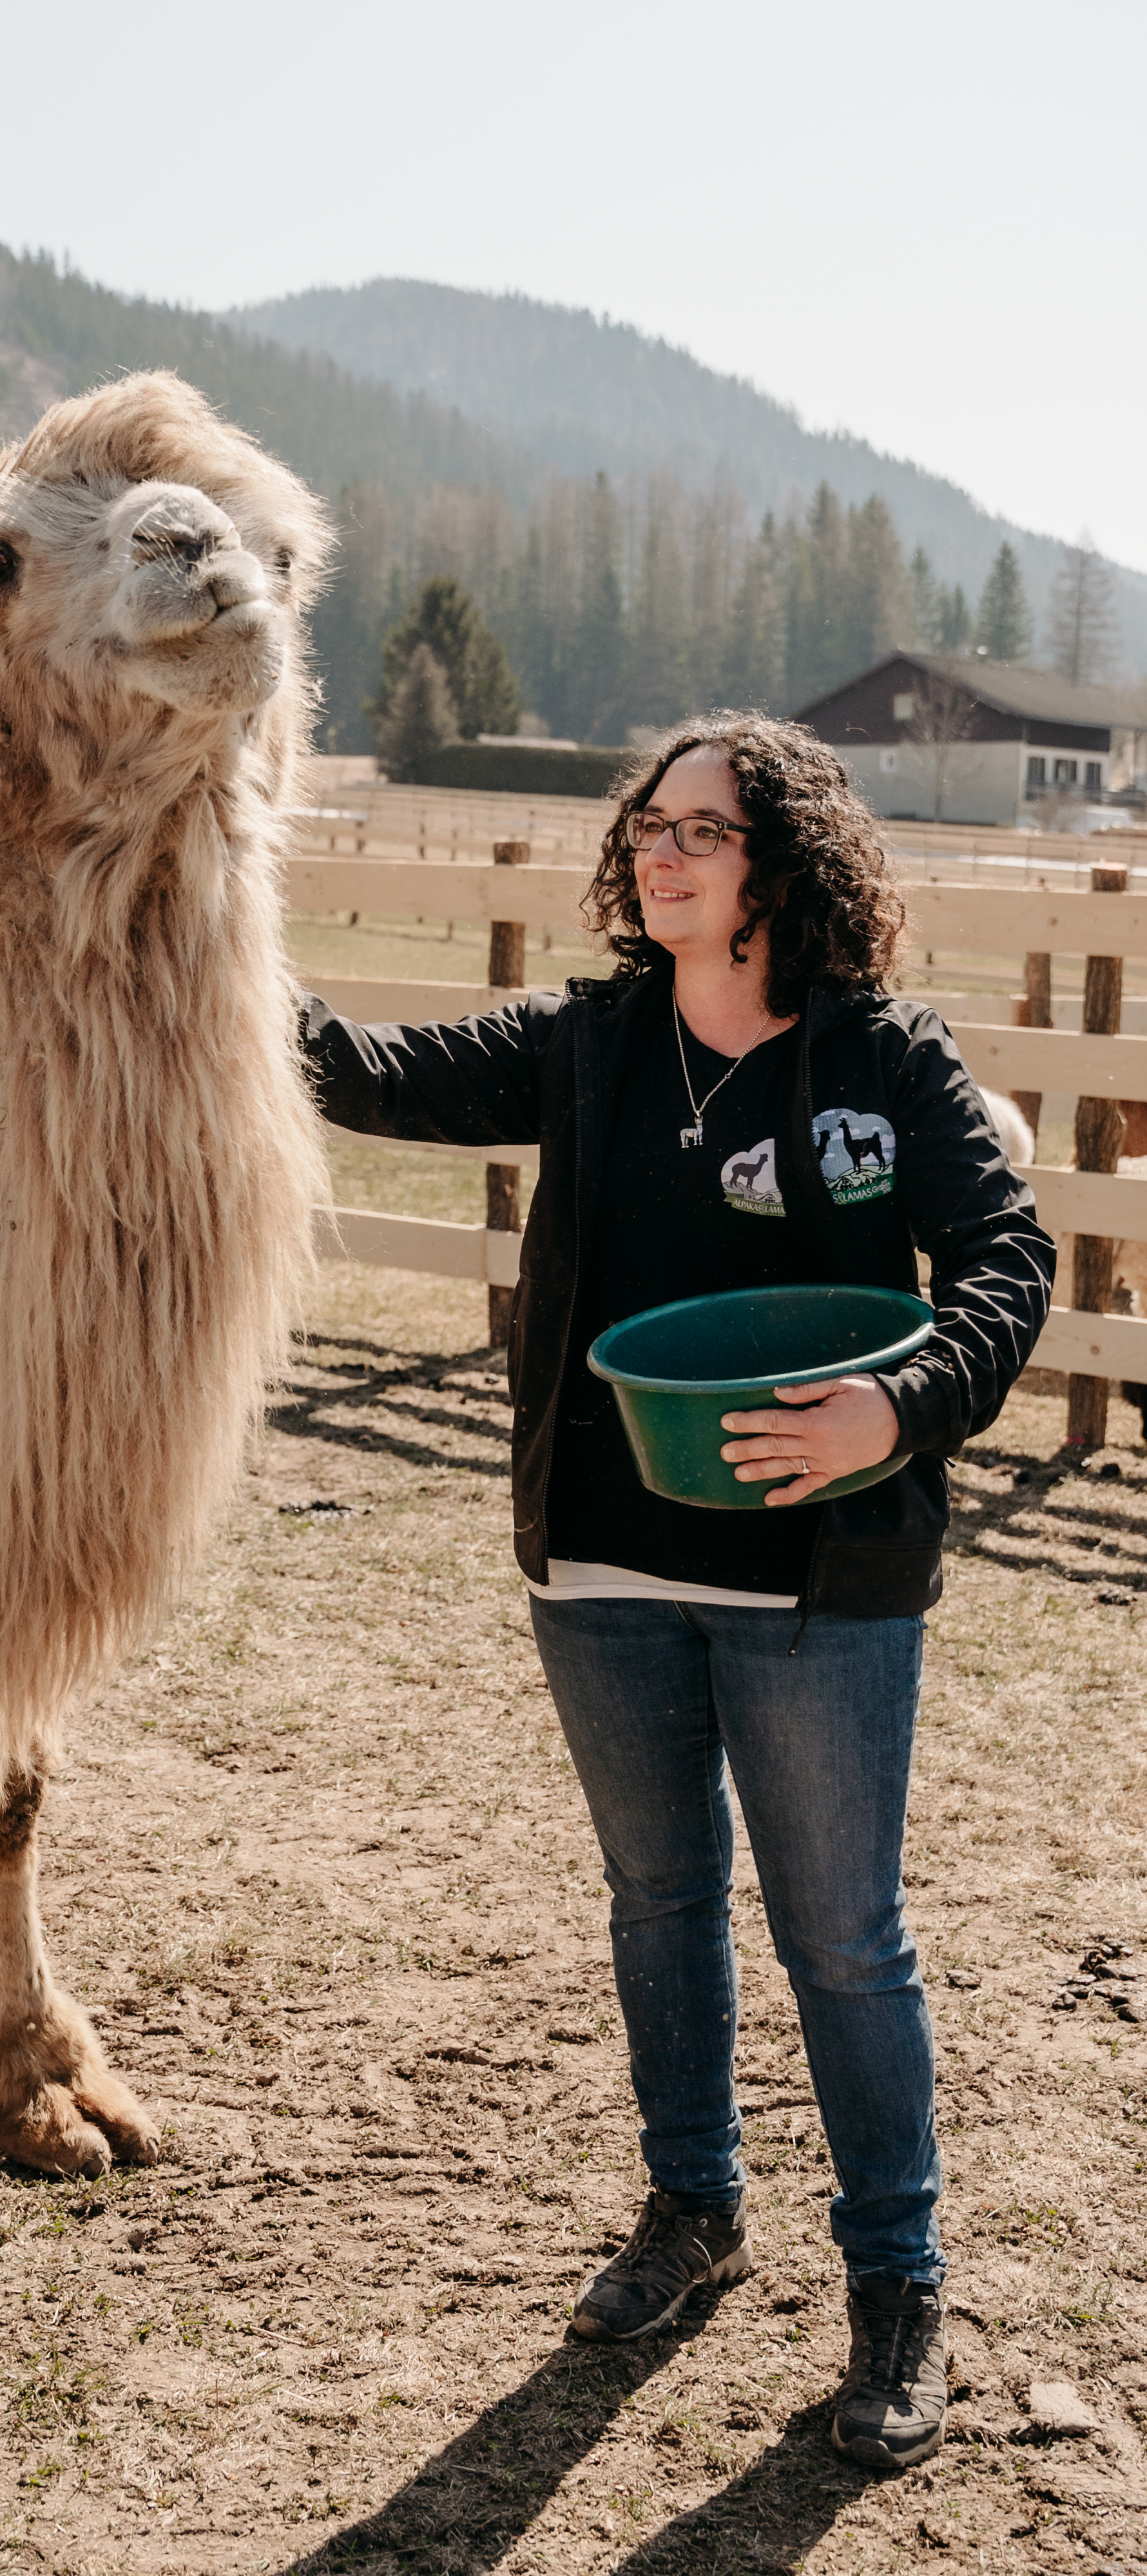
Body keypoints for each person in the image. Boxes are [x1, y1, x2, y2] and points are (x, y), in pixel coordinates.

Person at [300, 714, 1054, 2472]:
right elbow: (361, 1067)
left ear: (781, 861)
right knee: (659, 1901)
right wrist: (186, 928)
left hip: (822, 1581)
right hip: (607, 1565)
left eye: (702, 827)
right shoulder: (589, 1042)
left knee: (844, 1943)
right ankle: (693, 2208)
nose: (661, 848)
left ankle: (896, 2286)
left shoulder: (886, 1061)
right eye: (649, 823)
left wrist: (903, 1398)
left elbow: (1005, 1259)